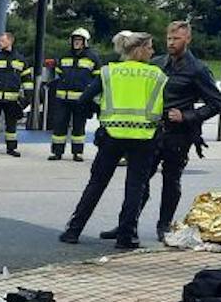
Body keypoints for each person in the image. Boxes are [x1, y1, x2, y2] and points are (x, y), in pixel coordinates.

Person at [59, 31, 166, 250]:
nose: (153, 52)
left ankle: (73, 231)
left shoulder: (110, 72)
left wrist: (103, 114)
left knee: (96, 184)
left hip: (111, 137)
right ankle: (126, 237)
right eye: (150, 47)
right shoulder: (157, 74)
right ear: (139, 49)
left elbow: (84, 100)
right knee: (135, 187)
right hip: (144, 138)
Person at [149, 20, 221, 237]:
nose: (171, 43)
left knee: (171, 179)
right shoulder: (157, 63)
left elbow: (217, 103)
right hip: (153, 129)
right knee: (141, 177)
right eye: (169, 38)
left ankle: (164, 224)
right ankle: (128, 222)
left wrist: (188, 116)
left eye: (177, 39)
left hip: (179, 133)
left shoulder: (197, 69)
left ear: (188, 39)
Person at [47, 28, 99, 162]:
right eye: (75, 40)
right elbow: (59, 72)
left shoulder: (93, 57)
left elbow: (97, 78)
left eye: (79, 40)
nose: (76, 43)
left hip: (81, 99)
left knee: (79, 126)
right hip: (62, 99)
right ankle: (57, 152)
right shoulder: (64, 55)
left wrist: (90, 95)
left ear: (85, 42)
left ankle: (78, 153)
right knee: (59, 125)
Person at [0, 31, 33, 155]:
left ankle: (11, 148)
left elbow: (27, 79)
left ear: (10, 41)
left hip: (12, 99)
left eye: (2, 41)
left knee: (11, 126)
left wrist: (28, 96)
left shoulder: (21, 60)